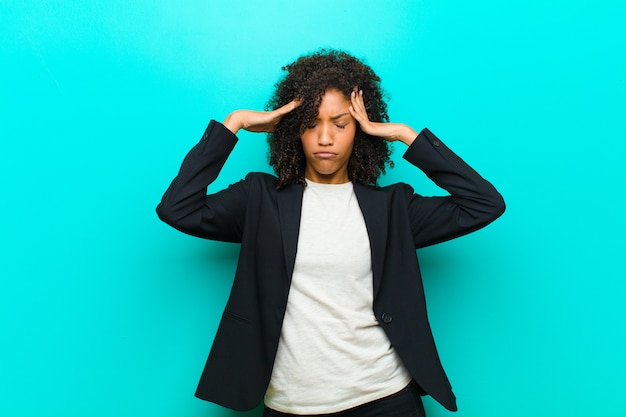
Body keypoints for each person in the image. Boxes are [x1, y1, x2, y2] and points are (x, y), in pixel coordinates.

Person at [157, 49, 505, 417]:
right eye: (311, 123)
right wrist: (234, 124)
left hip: (385, 398)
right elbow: (177, 208)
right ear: (294, 129)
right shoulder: (260, 199)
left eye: (340, 124)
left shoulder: (393, 208)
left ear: (358, 130)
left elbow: (484, 204)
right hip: (292, 404)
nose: (325, 137)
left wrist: (405, 135)